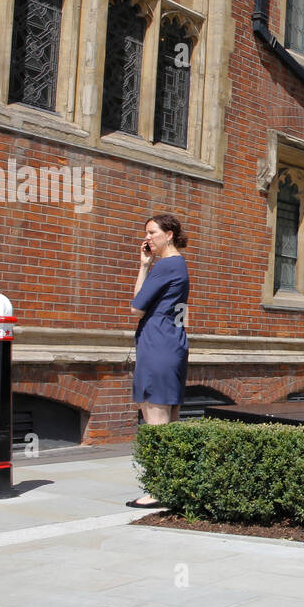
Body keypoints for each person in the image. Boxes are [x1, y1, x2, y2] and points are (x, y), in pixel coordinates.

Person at [127, 212, 191, 508]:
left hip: (157, 344)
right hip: (171, 344)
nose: (147, 238)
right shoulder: (177, 265)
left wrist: (145, 269)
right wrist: (144, 264)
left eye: (152, 232)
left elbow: (137, 308)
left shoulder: (166, 266)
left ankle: (157, 489)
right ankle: (174, 486)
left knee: (155, 419)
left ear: (170, 234)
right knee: (169, 417)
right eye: (147, 233)